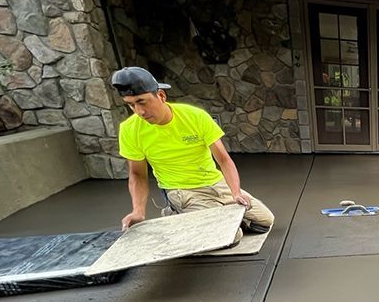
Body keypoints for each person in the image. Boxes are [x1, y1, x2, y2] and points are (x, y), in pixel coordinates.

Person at [111, 66, 274, 240]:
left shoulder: (195, 117)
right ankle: (179, 211)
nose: (139, 111)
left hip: (215, 183)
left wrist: (236, 192)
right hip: (182, 191)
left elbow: (224, 160)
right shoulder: (129, 130)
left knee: (265, 220)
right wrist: (138, 211)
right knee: (232, 236)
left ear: (161, 95)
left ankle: (205, 217)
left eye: (142, 102)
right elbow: (137, 175)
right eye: (131, 105)